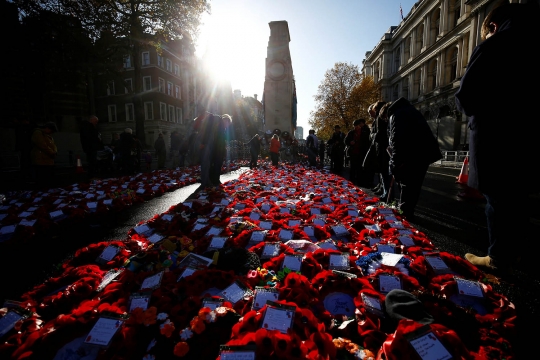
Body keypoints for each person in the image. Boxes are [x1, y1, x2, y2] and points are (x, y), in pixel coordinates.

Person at [454, 2, 539, 271]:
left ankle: (499, 257)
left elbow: (466, 95)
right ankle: (518, 253)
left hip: (497, 137)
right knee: (519, 198)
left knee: (498, 200)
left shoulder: (496, 45)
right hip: (528, 137)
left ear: (492, 26)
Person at [387, 97, 442, 219]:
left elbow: (397, 140)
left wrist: (395, 163)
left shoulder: (397, 115)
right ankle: (407, 210)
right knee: (413, 186)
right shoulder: (408, 110)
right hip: (420, 154)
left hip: (413, 155)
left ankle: (405, 213)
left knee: (407, 184)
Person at [30, 122, 58, 190]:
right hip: (41, 159)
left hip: (47, 159)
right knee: (42, 178)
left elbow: (52, 145)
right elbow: (42, 145)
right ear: (47, 128)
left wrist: (54, 151)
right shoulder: (38, 133)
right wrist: (51, 152)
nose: (51, 133)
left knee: (47, 178)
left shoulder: (47, 135)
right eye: (51, 131)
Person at [344, 119, 371, 186]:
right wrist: (350, 142)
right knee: (352, 167)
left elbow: (367, 141)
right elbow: (346, 141)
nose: (355, 127)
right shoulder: (351, 132)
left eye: (357, 126)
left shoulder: (365, 132)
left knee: (360, 168)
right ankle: (352, 180)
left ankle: (360, 181)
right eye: (354, 126)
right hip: (353, 152)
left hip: (361, 152)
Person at [368, 101, 387, 192]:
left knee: (384, 170)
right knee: (381, 169)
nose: (370, 115)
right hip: (379, 147)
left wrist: (372, 136)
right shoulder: (377, 119)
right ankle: (381, 187)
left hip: (382, 147)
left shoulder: (380, 119)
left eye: (371, 112)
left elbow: (379, 134)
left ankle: (385, 190)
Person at [376, 102, 392, 201]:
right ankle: (386, 193)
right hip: (386, 149)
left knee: (386, 173)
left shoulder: (381, 118)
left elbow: (381, 134)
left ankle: (388, 195)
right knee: (384, 173)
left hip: (385, 150)